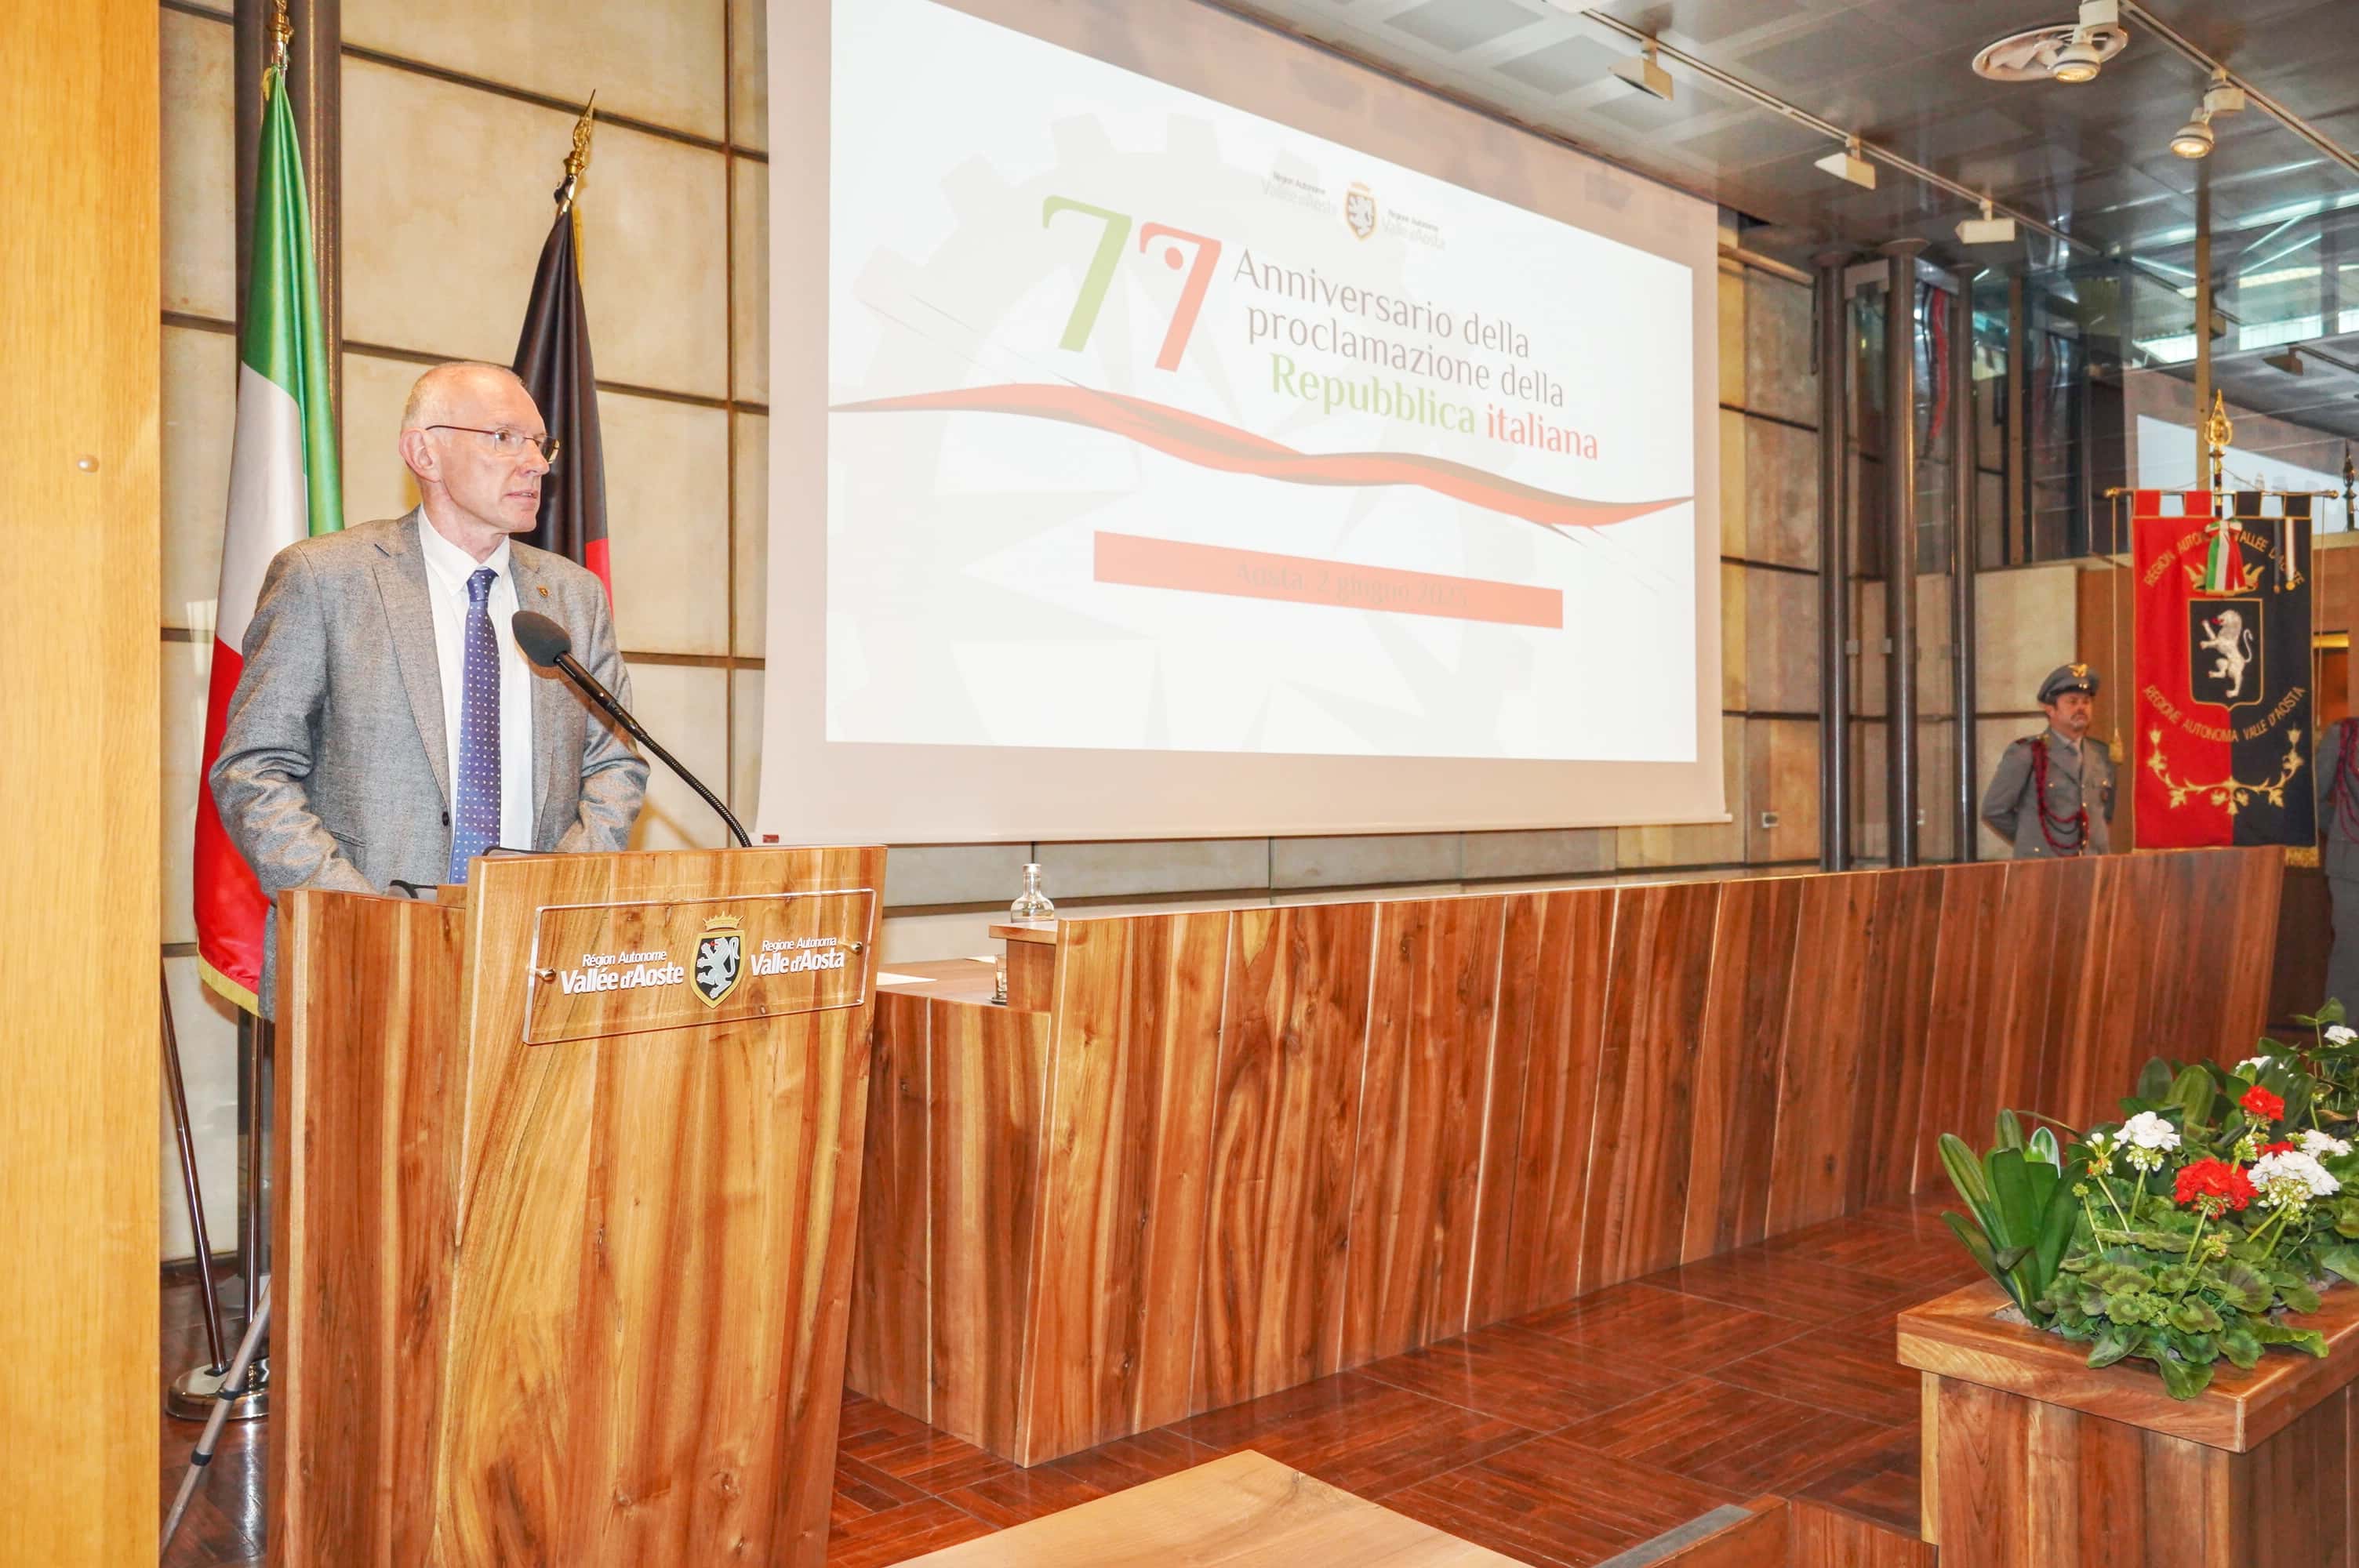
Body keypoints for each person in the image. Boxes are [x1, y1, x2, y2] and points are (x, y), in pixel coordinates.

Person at [210, 361, 648, 1014]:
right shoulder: (326, 579)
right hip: (361, 967)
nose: (536, 464)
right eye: (504, 438)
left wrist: (561, 893)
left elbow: (616, 761)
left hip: (535, 964)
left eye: (540, 444)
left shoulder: (573, 597)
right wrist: (357, 915)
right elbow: (253, 770)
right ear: (425, 453)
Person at [1981, 664, 2114, 858]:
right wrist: (2034, 840)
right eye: (2072, 702)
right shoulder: (2028, 753)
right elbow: (1994, 811)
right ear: (2050, 709)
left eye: (2086, 702)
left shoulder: (2101, 754)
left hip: (2093, 864)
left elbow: (2105, 814)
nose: (2081, 708)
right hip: (2044, 866)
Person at [2318, 715, 2359, 1013]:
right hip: (2351, 868)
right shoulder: (2344, 735)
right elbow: (2312, 798)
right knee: (2350, 960)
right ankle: (2340, 1039)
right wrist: (2340, 831)